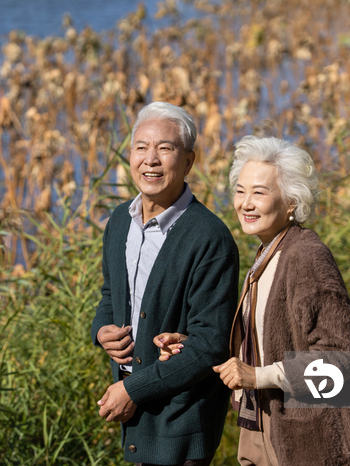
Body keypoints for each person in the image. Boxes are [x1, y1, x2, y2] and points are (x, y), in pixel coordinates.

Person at [156, 136, 350, 466]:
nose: (245, 203)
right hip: (262, 426)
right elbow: (262, 344)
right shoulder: (267, 253)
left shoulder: (306, 258)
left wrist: (257, 378)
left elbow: (341, 359)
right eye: (240, 191)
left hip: (308, 439)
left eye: (259, 192)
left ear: (290, 202)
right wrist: (190, 345)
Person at [91, 102, 239, 466]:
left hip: (182, 416)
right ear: (129, 155)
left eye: (165, 148)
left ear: (189, 161)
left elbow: (209, 345)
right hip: (138, 409)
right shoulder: (119, 222)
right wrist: (100, 330)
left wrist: (132, 389)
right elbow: (111, 294)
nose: (150, 160)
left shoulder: (210, 239)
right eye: (141, 147)